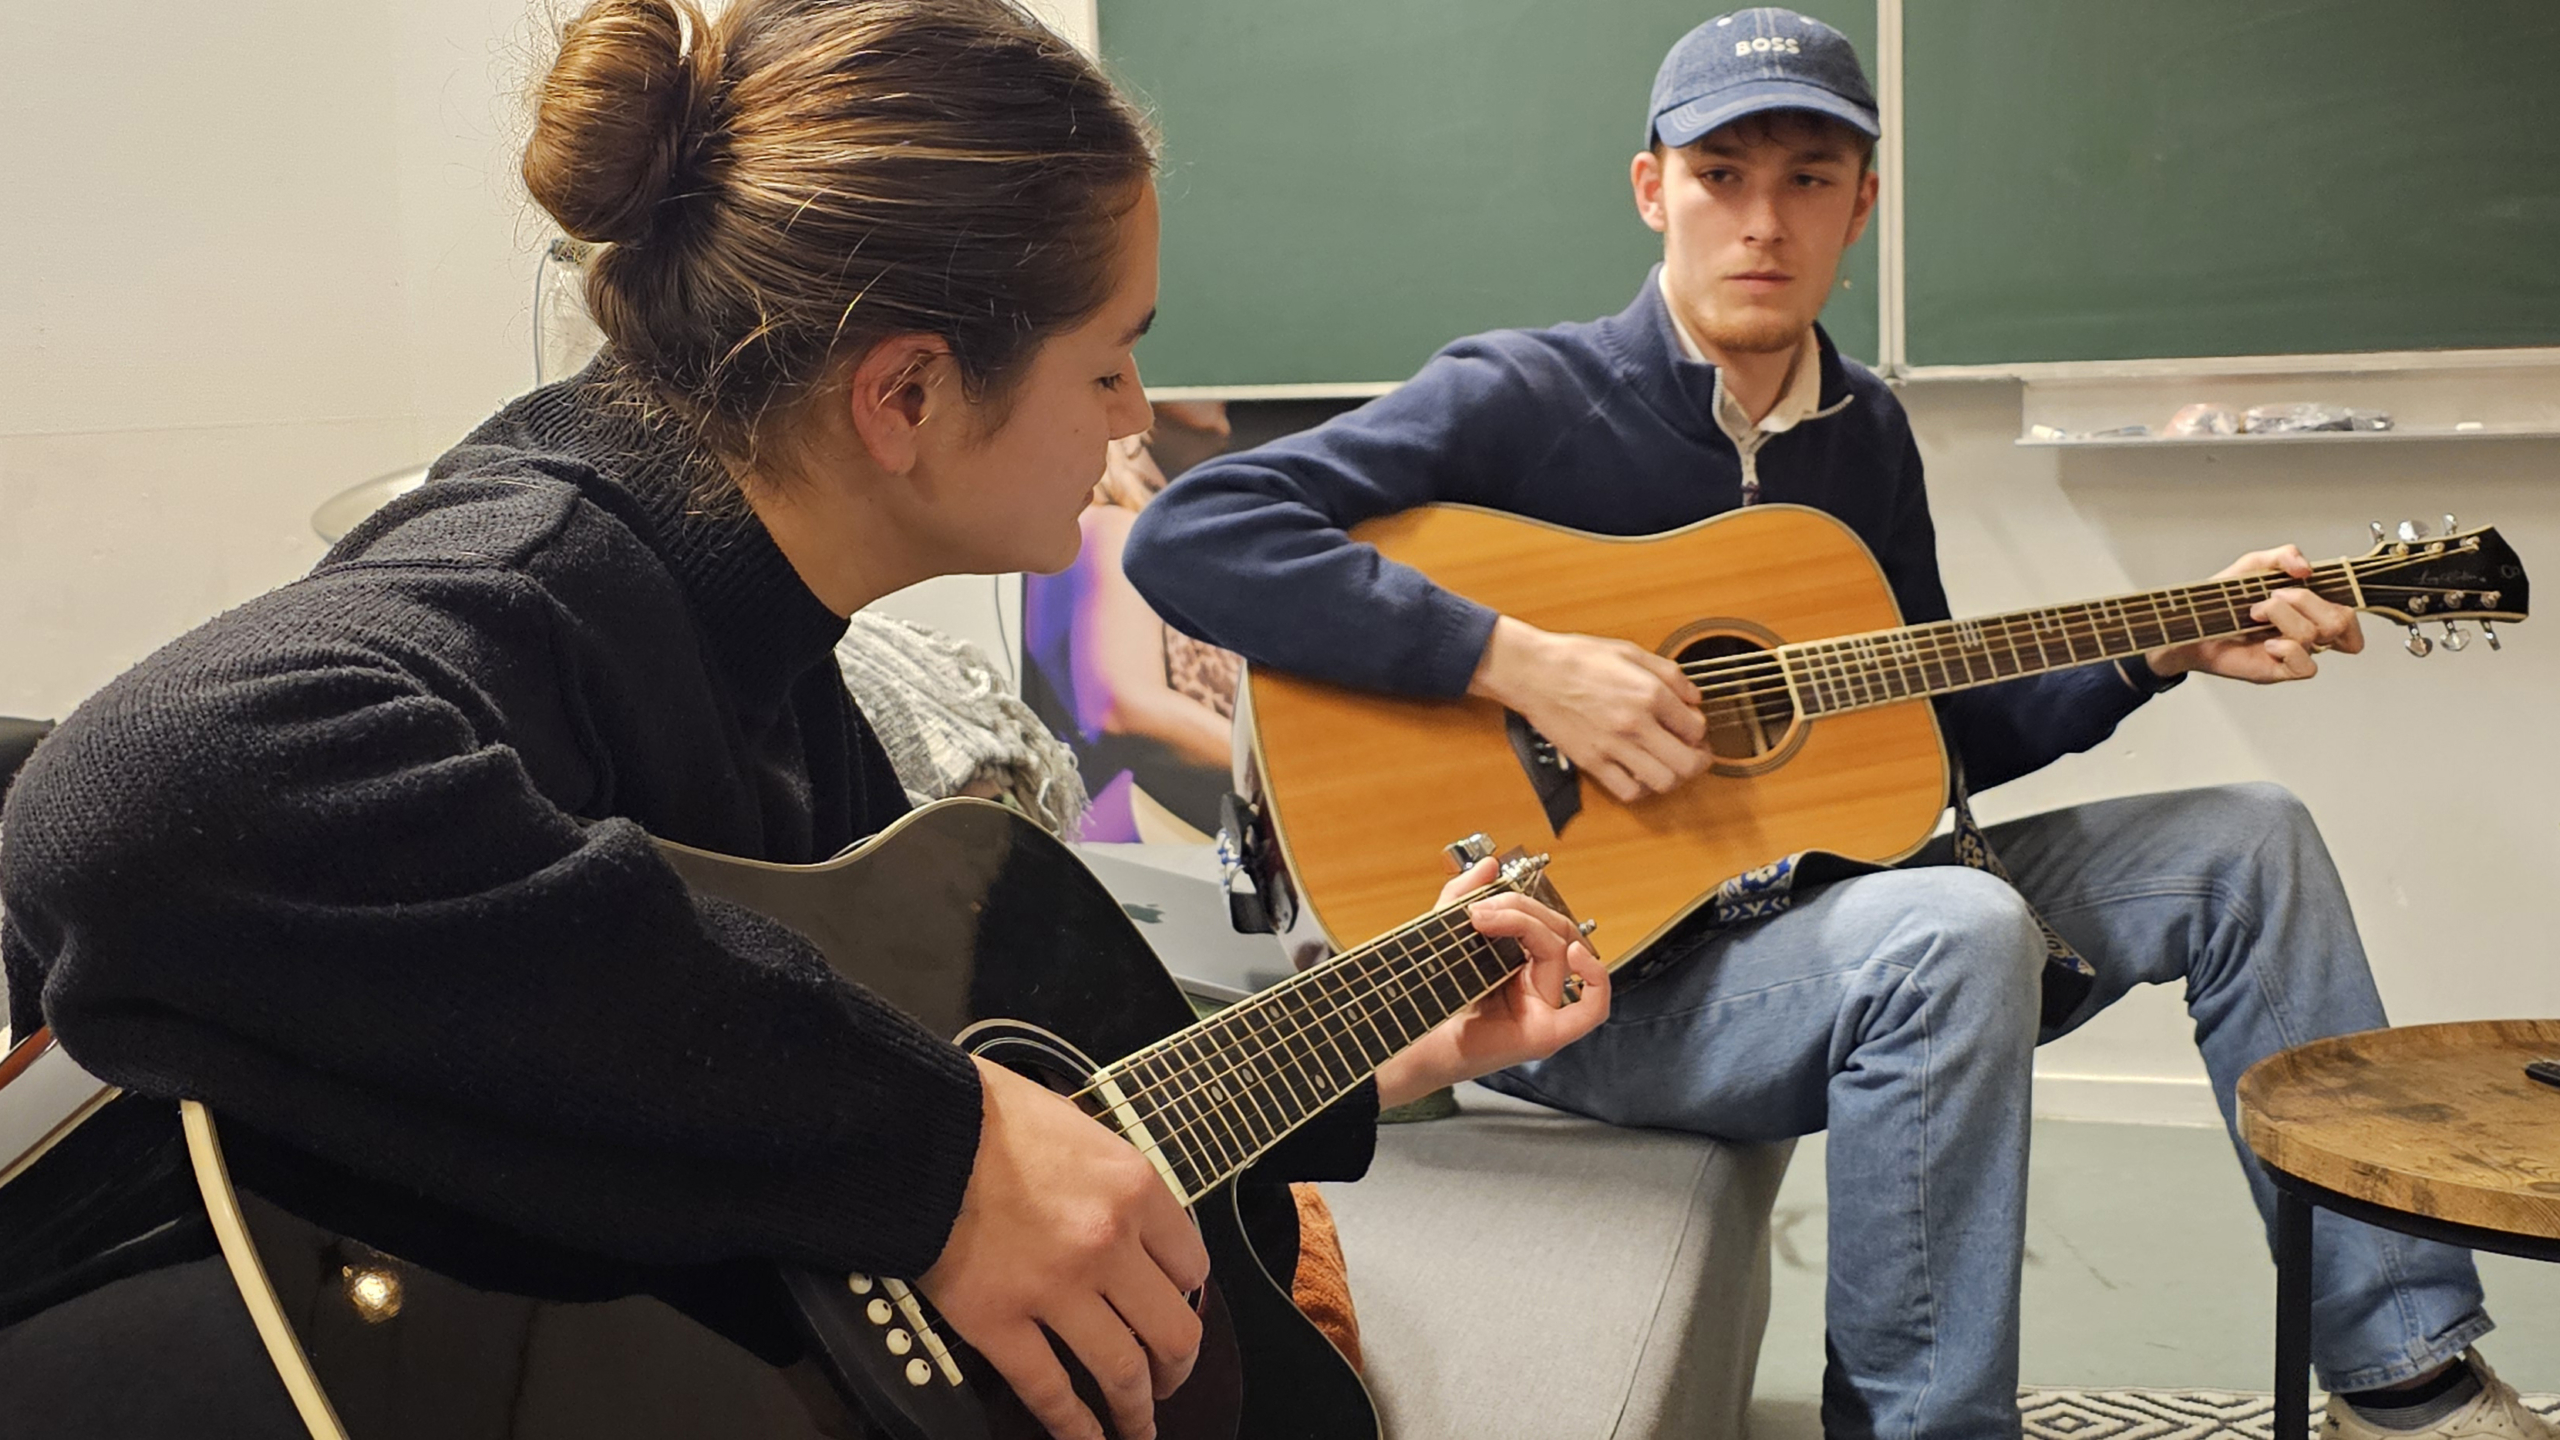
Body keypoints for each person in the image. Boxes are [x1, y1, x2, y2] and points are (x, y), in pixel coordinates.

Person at [0, 4, 1610, 1439]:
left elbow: (923, 1045)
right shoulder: (553, 567)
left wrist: (1375, 1042)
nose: (1135, 420)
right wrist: (939, 1153)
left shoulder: (774, 662)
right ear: (905, 398)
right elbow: (138, 797)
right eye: (1114, 360)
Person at [1121, 10, 2547, 1439]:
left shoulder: (1863, 434)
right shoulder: (1526, 396)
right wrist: (1522, 664)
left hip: (1811, 931)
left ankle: (2399, 1373)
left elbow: (1919, 734)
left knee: (2252, 837)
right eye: (1722, 175)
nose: (1763, 219)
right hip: (1579, 983)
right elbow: (1194, 532)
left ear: (1861, 204)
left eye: (1809, 178)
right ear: (1650, 190)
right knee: (1955, 930)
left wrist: (2149, 651)